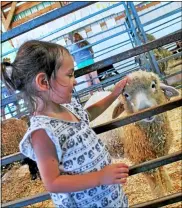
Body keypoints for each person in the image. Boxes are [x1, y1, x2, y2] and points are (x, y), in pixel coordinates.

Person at [1, 40, 129, 208]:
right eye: (69, 75)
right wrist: (100, 177)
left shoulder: (69, 107)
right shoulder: (43, 131)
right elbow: (53, 182)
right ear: (43, 82)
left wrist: (114, 95)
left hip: (109, 196)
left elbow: (89, 113)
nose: (74, 81)